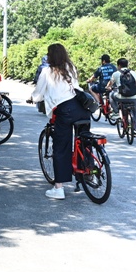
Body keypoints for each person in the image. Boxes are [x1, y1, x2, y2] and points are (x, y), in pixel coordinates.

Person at [32, 43, 93, 200]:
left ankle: (59, 188)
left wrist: (33, 98)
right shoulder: (71, 67)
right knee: (84, 141)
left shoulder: (47, 71)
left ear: (50, 56)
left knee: (61, 147)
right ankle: (88, 172)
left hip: (65, 111)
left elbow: (39, 93)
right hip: (82, 109)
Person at [107, 57, 136, 135]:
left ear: (119, 65)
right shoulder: (133, 73)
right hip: (133, 97)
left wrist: (108, 87)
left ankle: (115, 113)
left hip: (121, 97)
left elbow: (110, 84)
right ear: (127, 65)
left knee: (111, 94)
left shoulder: (116, 74)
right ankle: (135, 129)